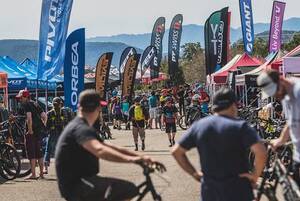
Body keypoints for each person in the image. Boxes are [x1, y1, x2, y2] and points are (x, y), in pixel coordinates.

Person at [55, 90, 165, 201]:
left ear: (79, 107)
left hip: (80, 182)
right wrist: (134, 160)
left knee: (124, 190)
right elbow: (100, 150)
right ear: (98, 109)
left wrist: (141, 157)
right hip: (77, 185)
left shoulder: (81, 126)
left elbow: (109, 147)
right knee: (128, 189)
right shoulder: (80, 128)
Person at [172, 88, 267, 201]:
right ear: (233, 105)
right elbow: (261, 152)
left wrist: (194, 173)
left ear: (214, 106)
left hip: (210, 190)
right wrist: (255, 176)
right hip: (238, 189)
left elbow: (176, 151)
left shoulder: (200, 126)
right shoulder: (241, 126)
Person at [257, 70, 300, 185]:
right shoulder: (285, 97)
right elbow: (291, 122)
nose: (276, 96)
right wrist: (281, 140)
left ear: (281, 79)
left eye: (276, 91)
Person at [16, 89, 47, 180]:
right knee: (39, 153)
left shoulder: (26, 105)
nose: (20, 100)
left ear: (25, 97)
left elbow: (29, 119)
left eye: (21, 98)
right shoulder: (35, 103)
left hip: (31, 132)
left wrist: (30, 130)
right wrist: (42, 127)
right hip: (39, 132)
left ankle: (33, 174)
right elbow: (44, 116)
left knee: (32, 153)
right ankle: (41, 174)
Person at [44, 97, 69, 174]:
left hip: (54, 133)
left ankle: (46, 168)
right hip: (60, 133)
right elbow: (68, 122)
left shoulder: (50, 113)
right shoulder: (64, 112)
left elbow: (46, 125)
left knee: (48, 150)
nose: (57, 106)